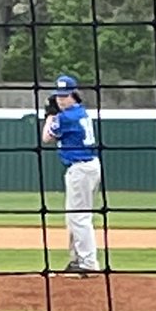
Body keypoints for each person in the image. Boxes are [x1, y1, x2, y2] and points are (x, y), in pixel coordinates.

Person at [41, 74, 101, 275]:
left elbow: (46, 137)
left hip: (81, 168)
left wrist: (50, 115)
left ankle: (88, 263)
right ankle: (78, 260)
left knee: (79, 218)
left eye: (65, 96)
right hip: (87, 167)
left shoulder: (67, 117)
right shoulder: (80, 112)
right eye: (58, 96)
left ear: (74, 95)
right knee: (74, 217)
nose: (60, 99)